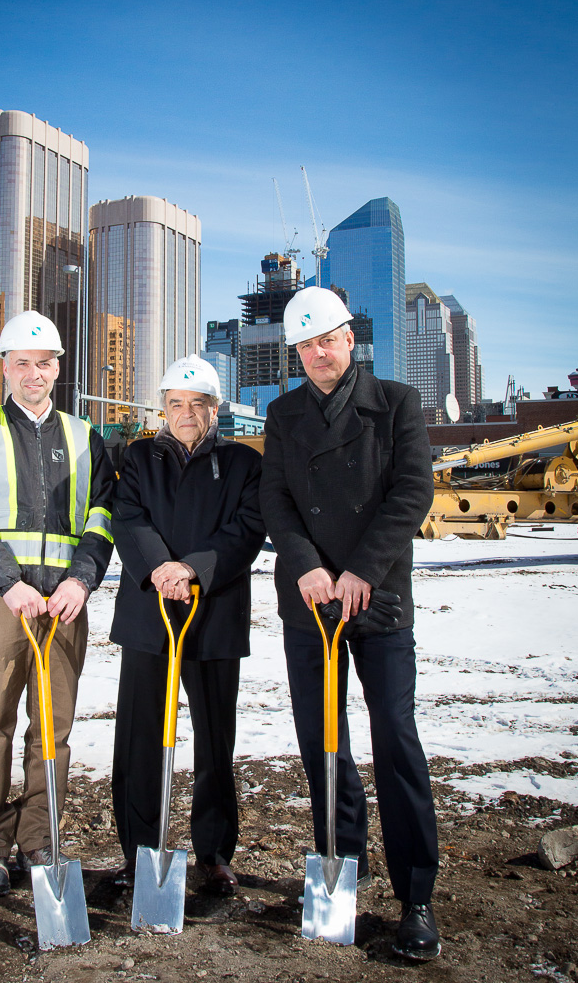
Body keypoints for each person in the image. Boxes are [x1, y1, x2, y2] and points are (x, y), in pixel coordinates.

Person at [259, 286, 441, 960]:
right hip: (309, 604)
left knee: (395, 738)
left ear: (350, 338)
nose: (316, 354)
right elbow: (273, 496)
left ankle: (416, 895)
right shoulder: (283, 413)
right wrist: (306, 565)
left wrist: (362, 569)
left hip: (380, 598)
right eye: (304, 346)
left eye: (326, 340)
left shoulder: (396, 404)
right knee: (323, 743)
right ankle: (341, 870)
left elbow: (412, 490)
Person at [0, 310, 115, 899]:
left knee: (53, 730)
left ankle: (41, 839)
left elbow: (102, 516)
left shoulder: (85, 436)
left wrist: (82, 581)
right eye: (23, 364)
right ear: (5, 368)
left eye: (45, 365)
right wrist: (6, 582)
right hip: (1, 602)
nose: (34, 375)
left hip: (66, 602)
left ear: (58, 369)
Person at [109, 355, 265, 894]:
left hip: (213, 615)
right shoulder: (136, 459)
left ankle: (215, 852)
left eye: (198, 404)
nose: (186, 414)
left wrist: (193, 569)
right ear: (163, 408)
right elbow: (126, 518)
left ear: (215, 409)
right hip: (150, 615)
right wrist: (160, 569)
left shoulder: (243, 464)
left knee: (215, 740)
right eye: (176, 404)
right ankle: (139, 848)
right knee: (139, 737)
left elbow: (246, 530)